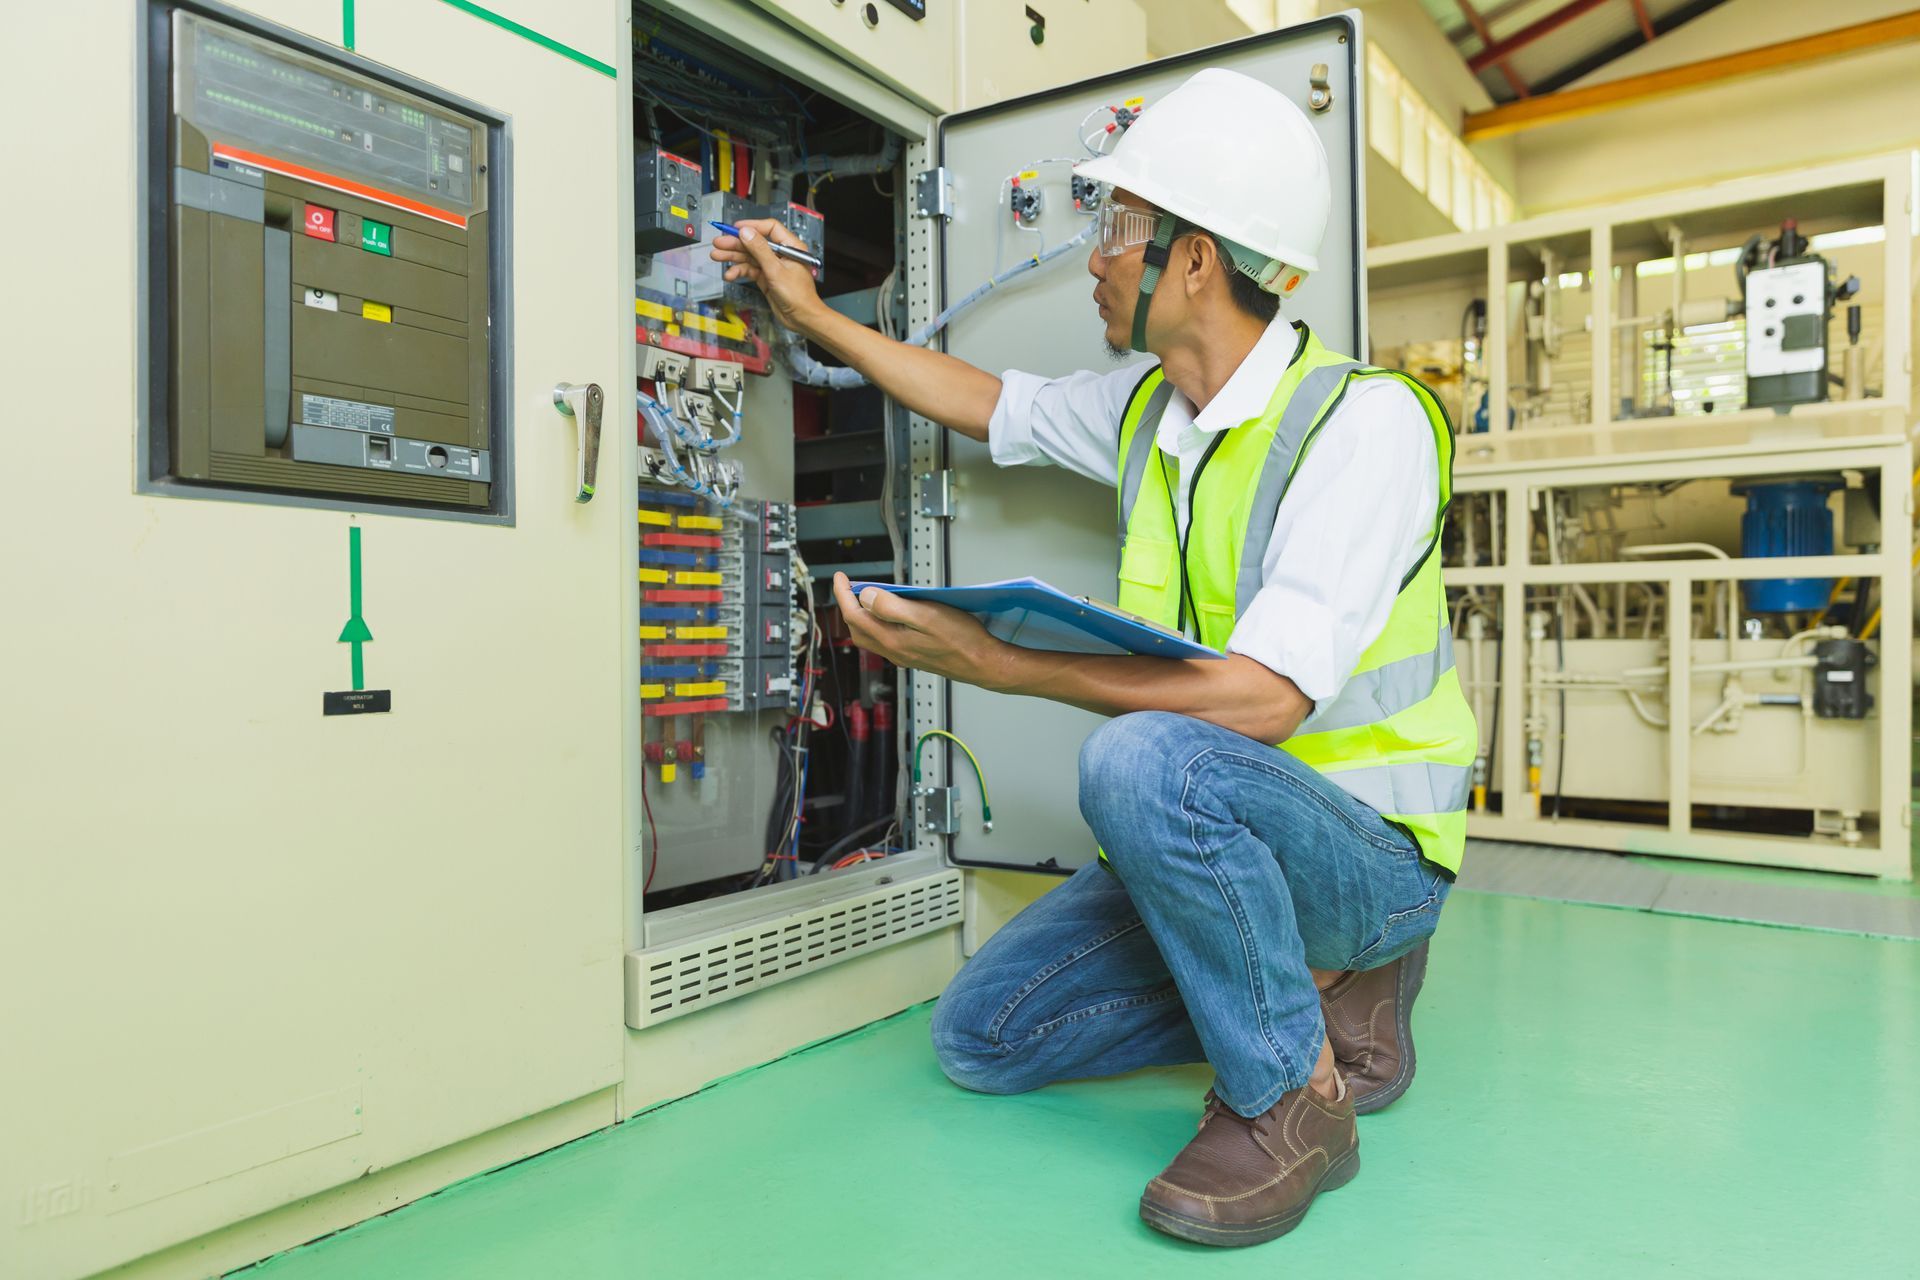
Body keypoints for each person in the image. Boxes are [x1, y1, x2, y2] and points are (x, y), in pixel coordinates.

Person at [711, 67, 1475, 1249]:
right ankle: (1310, 998)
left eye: (1119, 225)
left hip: (1368, 854)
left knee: (1139, 759)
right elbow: (989, 400)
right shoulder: (1144, 412)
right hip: (1232, 838)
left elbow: (1266, 701)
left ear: (1197, 260)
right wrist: (812, 318)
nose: (1096, 256)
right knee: (986, 1032)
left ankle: (1292, 1101)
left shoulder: (1360, 423)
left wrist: (1000, 663)